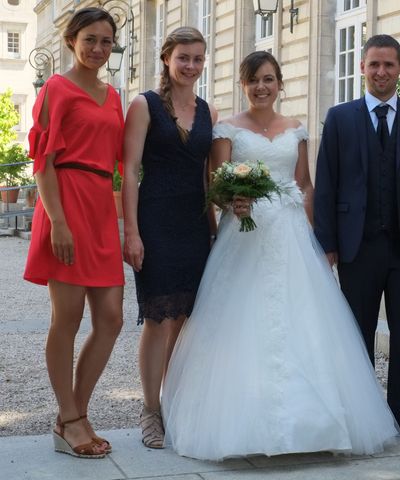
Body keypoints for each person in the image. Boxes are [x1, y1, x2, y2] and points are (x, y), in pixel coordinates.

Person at [161, 51, 400, 461]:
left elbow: (304, 184)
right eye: (254, 80)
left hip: (290, 234)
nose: (262, 87)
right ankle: (237, 425)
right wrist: (231, 200)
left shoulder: (296, 128)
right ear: (243, 84)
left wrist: (312, 236)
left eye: (269, 79)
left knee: (304, 321)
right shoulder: (227, 129)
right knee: (242, 320)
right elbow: (215, 183)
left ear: (280, 83)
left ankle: (315, 426)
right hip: (244, 234)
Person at [314, 34, 400, 448]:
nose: (381, 72)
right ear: (362, 68)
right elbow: (327, 184)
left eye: (389, 65)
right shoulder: (339, 117)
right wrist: (327, 244)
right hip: (357, 246)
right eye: (374, 64)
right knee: (357, 335)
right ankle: (361, 414)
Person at [23, 7, 124, 458]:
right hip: (64, 203)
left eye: (106, 41)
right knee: (67, 318)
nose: (98, 49)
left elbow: (121, 163)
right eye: (90, 40)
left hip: (101, 206)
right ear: (71, 40)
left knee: (111, 319)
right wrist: (58, 221)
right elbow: (42, 161)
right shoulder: (55, 89)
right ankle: (72, 418)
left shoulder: (115, 96)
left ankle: (72, 415)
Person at [121, 27, 218, 449]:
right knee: (159, 319)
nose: (191, 66)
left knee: (184, 319)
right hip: (155, 221)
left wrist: (215, 230)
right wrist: (132, 232)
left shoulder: (206, 110)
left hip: (195, 223)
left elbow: (206, 173)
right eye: (184, 58)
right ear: (166, 58)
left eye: (198, 59)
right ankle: (150, 410)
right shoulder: (144, 105)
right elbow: (129, 170)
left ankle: (174, 402)